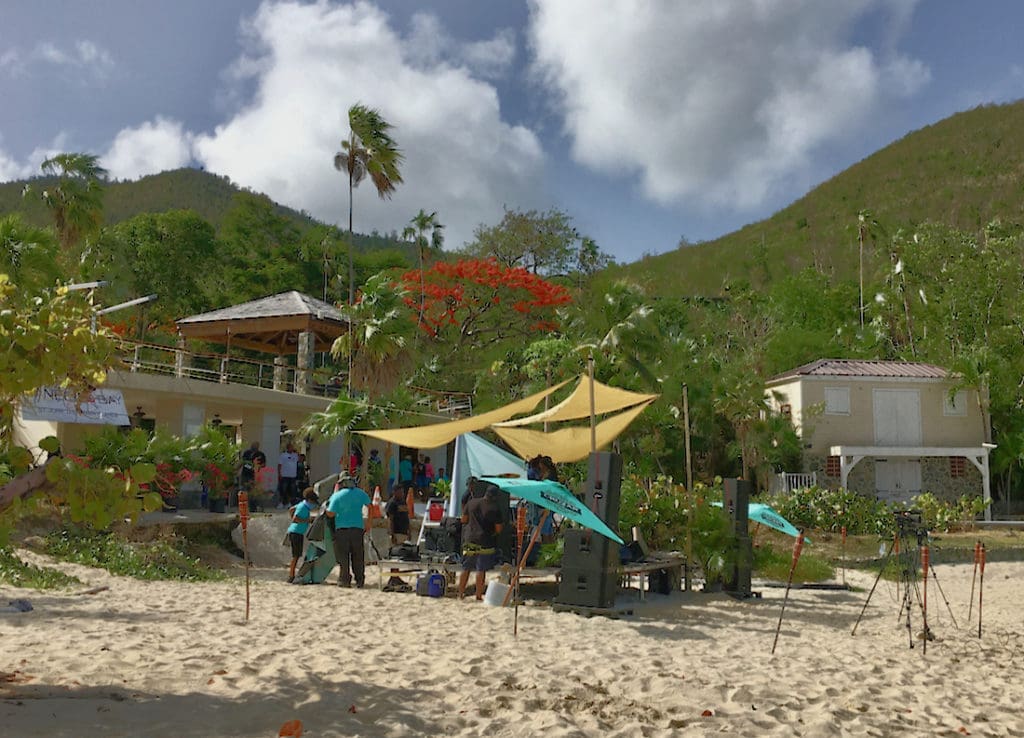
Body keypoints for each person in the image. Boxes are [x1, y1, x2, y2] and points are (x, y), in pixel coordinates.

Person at [458, 482, 504, 601]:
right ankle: (478, 596)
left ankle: (460, 594)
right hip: (485, 541)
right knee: (481, 569)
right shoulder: (494, 508)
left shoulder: (471, 502)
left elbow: (464, 520)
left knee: (466, 568)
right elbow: (498, 529)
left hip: (469, 539)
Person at [325, 473, 371, 588]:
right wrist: (368, 523)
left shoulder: (337, 496)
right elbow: (371, 507)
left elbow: (330, 514)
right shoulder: (361, 493)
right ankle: (360, 580)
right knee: (358, 555)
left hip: (341, 529)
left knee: (343, 556)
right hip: (357, 528)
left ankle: (344, 580)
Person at [286, 488, 318, 582]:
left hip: (297, 532)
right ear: (309, 500)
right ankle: (291, 576)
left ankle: (292, 575)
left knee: (297, 555)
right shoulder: (303, 507)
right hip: (296, 533)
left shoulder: (302, 505)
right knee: (295, 556)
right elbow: (295, 519)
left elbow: (291, 509)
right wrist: (307, 521)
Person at [278, 442, 300, 508]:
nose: (291, 448)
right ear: (288, 448)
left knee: (292, 490)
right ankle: (282, 503)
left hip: (293, 476)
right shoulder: (283, 455)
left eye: (292, 447)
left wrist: (297, 451)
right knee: (283, 490)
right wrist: (279, 474)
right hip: (285, 475)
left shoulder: (295, 455)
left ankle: (290, 503)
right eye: (290, 447)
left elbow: (299, 460)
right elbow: (279, 465)